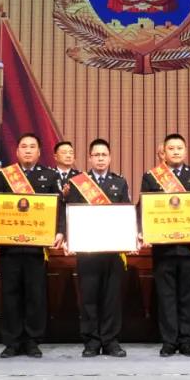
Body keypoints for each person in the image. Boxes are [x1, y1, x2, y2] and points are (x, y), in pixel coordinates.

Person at [0, 133, 65, 358]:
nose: (28, 150)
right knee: (10, 294)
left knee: (35, 295)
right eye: (24, 146)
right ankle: (12, 341)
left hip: (37, 248)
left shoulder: (49, 175)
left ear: (39, 152)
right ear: (17, 151)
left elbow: (60, 207)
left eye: (32, 147)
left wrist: (60, 231)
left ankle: (32, 341)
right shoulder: (4, 176)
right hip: (10, 247)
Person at [138, 133, 190, 357]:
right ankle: (169, 341)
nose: (176, 152)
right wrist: (143, 231)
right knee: (166, 297)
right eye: (171, 148)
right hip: (164, 248)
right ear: (164, 153)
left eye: (180, 148)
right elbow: (144, 208)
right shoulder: (151, 177)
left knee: (189, 297)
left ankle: (188, 341)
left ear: (185, 151)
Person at [64, 138, 131, 358]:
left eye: (104, 155)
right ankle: (92, 341)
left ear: (110, 158)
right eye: (96, 155)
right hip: (87, 250)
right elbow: (70, 213)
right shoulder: (78, 182)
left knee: (112, 298)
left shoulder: (119, 182)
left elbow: (126, 212)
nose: (100, 158)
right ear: (90, 158)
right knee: (89, 297)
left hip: (113, 249)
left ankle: (110, 341)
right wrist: (70, 238)